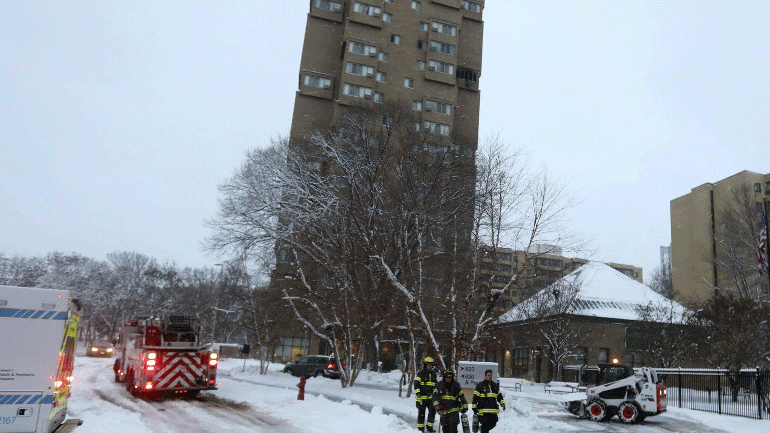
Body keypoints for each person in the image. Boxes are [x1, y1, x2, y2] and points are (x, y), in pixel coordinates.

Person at [414, 356, 438, 432]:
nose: (429, 366)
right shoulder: (420, 373)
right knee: (421, 413)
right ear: (425, 365)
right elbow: (416, 384)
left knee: (432, 413)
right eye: (428, 364)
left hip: (431, 398)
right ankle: (420, 429)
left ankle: (429, 427)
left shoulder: (434, 374)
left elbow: (436, 385)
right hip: (422, 398)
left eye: (431, 364)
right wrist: (418, 393)